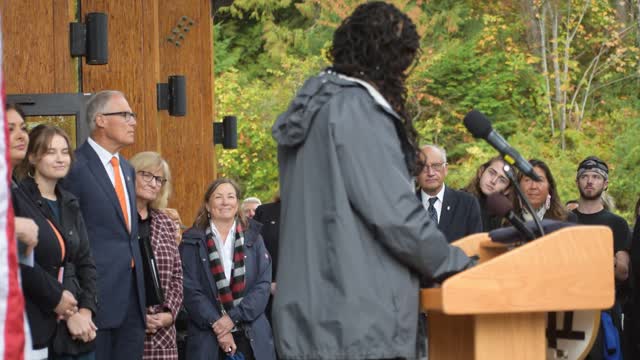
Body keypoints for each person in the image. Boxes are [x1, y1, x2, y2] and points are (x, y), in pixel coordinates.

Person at [271, 3, 475, 359]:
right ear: (384, 58)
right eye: (402, 63)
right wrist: (459, 266)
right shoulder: (356, 109)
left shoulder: (312, 109)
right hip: (360, 322)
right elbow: (395, 214)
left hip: (312, 317)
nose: (403, 75)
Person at [64, 90, 146, 360]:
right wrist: (78, 304)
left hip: (133, 299)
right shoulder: (75, 167)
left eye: (132, 115)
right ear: (100, 120)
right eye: (125, 115)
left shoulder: (127, 168)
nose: (133, 121)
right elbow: (70, 239)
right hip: (95, 300)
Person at [13, 125, 98, 359]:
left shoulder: (70, 203)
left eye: (64, 152)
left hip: (80, 327)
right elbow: (24, 266)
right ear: (32, 157)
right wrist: (70, 314)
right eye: (51, 152)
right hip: (40, 320)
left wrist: (86, 311)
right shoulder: (19, 200)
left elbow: (86, 262)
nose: (60, 159)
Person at [180, 178, 275, 360]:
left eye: (231, 196)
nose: (225, 202)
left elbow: (262, 286)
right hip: (207, 338)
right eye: (218, 197)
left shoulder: (254, 238)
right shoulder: (191, 241)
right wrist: (219, 326)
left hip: (251, 337)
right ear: (208, 205)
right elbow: (189, 288)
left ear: (237, 203)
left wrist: (232, 319)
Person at [572, 156, 630, 360]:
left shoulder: (617, 223)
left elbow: (622, 272)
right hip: (567, 310)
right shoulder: (565, 220)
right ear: (577, 181)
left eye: (596, 177)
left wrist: (593, 253)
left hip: (602, 312)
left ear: (605, 184)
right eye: (585, 176)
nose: (589, 181)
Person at [130, 152, 183, 360]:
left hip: (163, 338)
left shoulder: (166, 222)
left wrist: (169, 314)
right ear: (130, 175)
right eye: (147, 176)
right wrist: (136, 315)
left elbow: (177, 276)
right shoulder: (117, 218)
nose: (154, 183)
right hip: (126, 331)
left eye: (159, 179)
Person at [416, 145, 483, 241]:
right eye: (423, 167)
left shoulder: (467, 203)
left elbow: (475, 247)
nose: (430, 173)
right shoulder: (405, 205)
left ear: (445, 169)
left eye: (436, 166)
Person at [464, 156, 513, 231]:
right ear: (481, 172)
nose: (493, 181)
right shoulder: (459, 200)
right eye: (492, 173)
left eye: (502, 180)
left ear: (507, 190)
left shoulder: (507, 217)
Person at [252, 195, 280, 325]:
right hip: (265, 300)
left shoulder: (316, 215)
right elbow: (249, 252)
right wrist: (267, 285)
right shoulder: (264, 212)